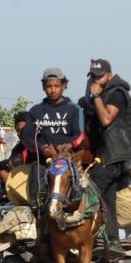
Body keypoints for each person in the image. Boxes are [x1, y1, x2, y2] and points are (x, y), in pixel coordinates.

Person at [83, 58, 131, 260]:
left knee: (89, 193)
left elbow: (106, 119)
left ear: (109, 75)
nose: (96, 80)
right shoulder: (103, 94)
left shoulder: (117, 93)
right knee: (107, 200)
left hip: (113, 156)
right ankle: (111, 240)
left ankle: (88, 238)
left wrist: (94, 95)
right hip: (108, 155)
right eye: (93, 77)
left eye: (100, 77)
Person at [21, 67, 84, 210]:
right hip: (45, 162)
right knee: (36, 187)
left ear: (64, 86)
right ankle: (37, 219)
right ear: (44, 87)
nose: (53, 90)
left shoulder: (74, 109)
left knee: (83, 190)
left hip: (69, 162)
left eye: (56, 86)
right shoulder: (36, 111)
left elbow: (80, 134)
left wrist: (69, 144)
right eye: (49, 86)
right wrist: (42, 148)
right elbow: (27, 137)